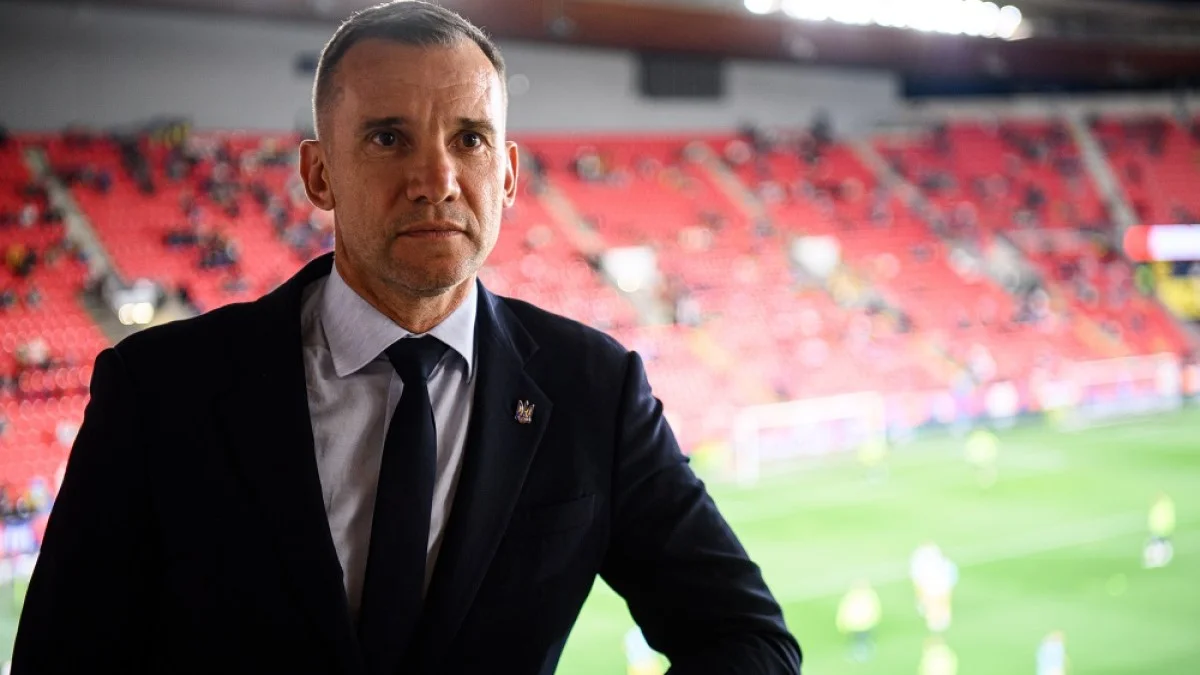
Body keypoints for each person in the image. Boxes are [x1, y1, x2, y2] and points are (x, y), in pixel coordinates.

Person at [11, 3, 800, 675]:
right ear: (318, 175)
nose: (437, 180)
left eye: (470, 139)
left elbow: (748, 636)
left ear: (509, 175)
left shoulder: (595, 386)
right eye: (388, 139)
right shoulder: (161, 390)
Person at [836, 579, 881, 663]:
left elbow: (844, 610)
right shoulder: (869, 595)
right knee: (860, 640)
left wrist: (842, 623)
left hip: (858, 624)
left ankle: (861, 653)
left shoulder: (851, 596)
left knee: (860, 640)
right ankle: (862, 653)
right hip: (861, 624)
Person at [1144, 492, 1176, 569]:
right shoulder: (1166, 506)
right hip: (1161, 530)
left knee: (1158, 545)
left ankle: (1157, 560)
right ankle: (1159, 560)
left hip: (1160, 530)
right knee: (1160, 544)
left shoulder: (1161, 507)